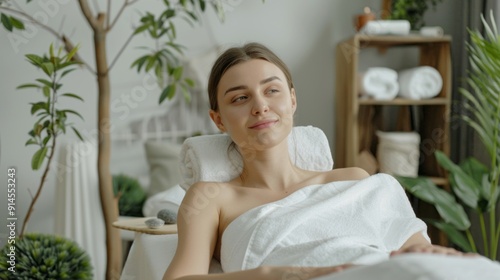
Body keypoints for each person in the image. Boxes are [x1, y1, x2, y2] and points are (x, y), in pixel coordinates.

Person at [163, 42, 469, 280]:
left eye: (272, 90)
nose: (260, 106)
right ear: (218, 119)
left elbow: (408, 241)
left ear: (292, 101)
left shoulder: (353, 180)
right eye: (240, 98)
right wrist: (278, 274)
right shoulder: (211, 197)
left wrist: (429, 256)